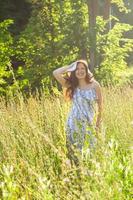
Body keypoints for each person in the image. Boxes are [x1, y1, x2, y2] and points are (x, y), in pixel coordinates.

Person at [53, 59, 103, 153]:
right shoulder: (72, 85)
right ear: (74, 71)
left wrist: (98, 124)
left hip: (89, 124)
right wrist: (70, 66)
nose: (80, 71)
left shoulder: (95, 85)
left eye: (82, 68)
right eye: (77, 69)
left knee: (90, 153)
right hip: (73, 124)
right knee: (74, 153)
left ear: (86, 70)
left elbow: (100, 107)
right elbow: (55, 73)